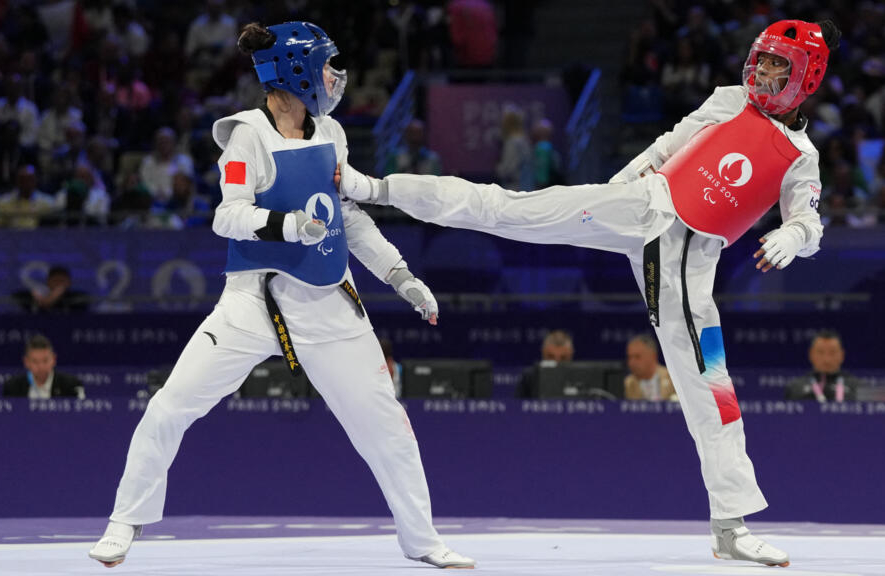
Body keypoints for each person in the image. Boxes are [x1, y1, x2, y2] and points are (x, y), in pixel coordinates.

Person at [341, 18, 842, 568]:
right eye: (762, 60)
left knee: (714, 390)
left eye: (778, 66)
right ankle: (376, 188)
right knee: (511, 209)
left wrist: (791, 237)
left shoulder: (801, 157)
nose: (764, 72)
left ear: (806, 78)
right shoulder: (728, 99)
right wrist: (612, 194)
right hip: (641, 206)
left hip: (689, 270)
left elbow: (810, 223)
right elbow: (666, 146)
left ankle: (730, 526)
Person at [89, 22, 474, 570]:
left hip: (329, 300)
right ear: (295, 71)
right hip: (254, 301)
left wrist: (400, 275)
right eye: (325, 65)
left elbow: (350, 216)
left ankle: (422, 539)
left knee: (386, 424)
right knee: (170, 405)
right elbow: (227, 214)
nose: (334, 76)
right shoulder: (247, 133)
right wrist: (290, 226)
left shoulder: (331, 133)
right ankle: (123, 521)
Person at [784, 330, 859, 402]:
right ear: (811, 354)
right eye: (820, 352)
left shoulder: (859, 387)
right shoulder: (795, 388)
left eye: (832, 352)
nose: (827, 359)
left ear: (842, 355)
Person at [2, 334, 85, 399]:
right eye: (35, 361)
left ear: (54, 359)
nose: (41, 366)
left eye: (45, 361)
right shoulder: (12, 388)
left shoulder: (70, 386)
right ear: (26, 362)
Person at [515, 330, 574, 398]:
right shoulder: (529, 377)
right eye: (551, 357)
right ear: (543, 354)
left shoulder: (580, 377)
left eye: (563, 358)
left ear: (570, 356)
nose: (557, 362)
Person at [12, 265, 89, 313]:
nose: (58, 284)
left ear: (69, 283)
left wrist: (55, 296)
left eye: (62, 281)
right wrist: (35, 294)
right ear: (48, 282)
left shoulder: (76, 297)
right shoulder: (36, 296)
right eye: (55, 281)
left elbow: (85, 301)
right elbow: (15, 296)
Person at [624, 333, 677, 402]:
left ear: (653, 356)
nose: (631, 363)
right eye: (630, 357)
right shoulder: (629, 383)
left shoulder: (672, 378)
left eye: (637, 357)